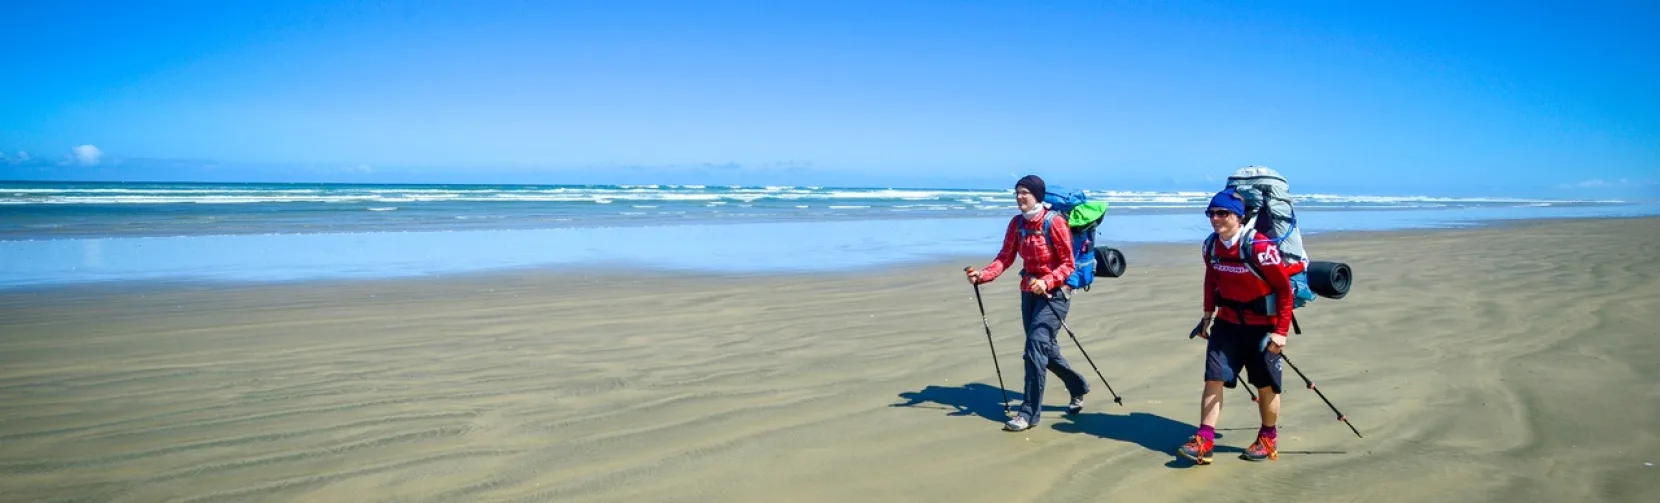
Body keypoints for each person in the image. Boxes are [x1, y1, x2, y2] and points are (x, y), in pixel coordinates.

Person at [1178, 187, 1296, 464]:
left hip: (1262, 328)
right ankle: (1205, 439)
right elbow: (1211, 280)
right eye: (1211, 213)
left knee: (1265, 385)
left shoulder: (1260, 247)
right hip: (1227, 323)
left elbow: (1284, 290)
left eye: (1222, 213)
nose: (1215, 219)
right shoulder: (1210, 245)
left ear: (1239, 217)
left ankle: (1268, 438)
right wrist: (1207, 315)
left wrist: (1281, 333)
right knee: (1213, 378)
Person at [965, 174, 1090, 432]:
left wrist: (1047, 281)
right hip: (1028, 293)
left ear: (1037, 195)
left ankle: (1028, 414)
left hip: (1056, 294)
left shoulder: (1054, 222)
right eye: (1017, 192)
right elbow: (1005, 257)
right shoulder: (1016, 224)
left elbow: (1068, 264)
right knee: (1045, 350)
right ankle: (1077, 386)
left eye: (1025, 192)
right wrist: (983, 276)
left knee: (1034, 348)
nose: (1020, 197)